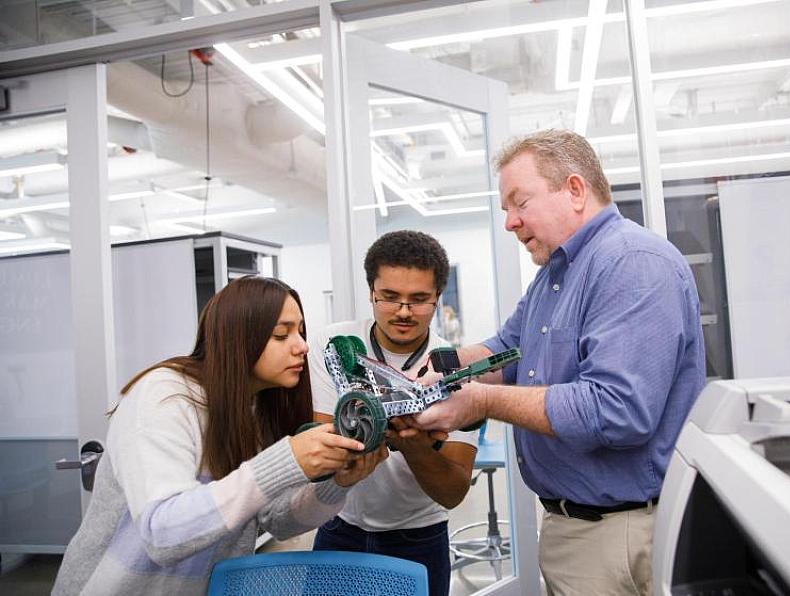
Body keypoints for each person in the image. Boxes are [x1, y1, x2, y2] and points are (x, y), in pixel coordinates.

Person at [410, 130, 706, 596]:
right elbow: (508, 350)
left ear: (574, 189)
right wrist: (441, 368)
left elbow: (616, 411)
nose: (509, 222)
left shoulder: (632, 264)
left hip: (619, 534)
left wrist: (481, 400)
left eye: (519, 202)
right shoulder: (556, 274)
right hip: (574, 527)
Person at [53, 276, 387, 596]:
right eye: (281, 335)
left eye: (300, 331)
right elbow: (162, 532)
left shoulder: (257, 409)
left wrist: (336, 484)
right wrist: (284, 461)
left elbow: (277, 521)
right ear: (238, 338)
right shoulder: (164, 397)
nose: (301, 346)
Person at [309, 230, 477, 596]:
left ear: (437, 298)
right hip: (340, 527)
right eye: (389, 297)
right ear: (371, 291)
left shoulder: (455, 368)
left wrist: (414, 444)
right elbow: (323, 456)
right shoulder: (335, 347)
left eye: (418, 300)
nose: (403, 311)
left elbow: (452, 492)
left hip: (418, 538)